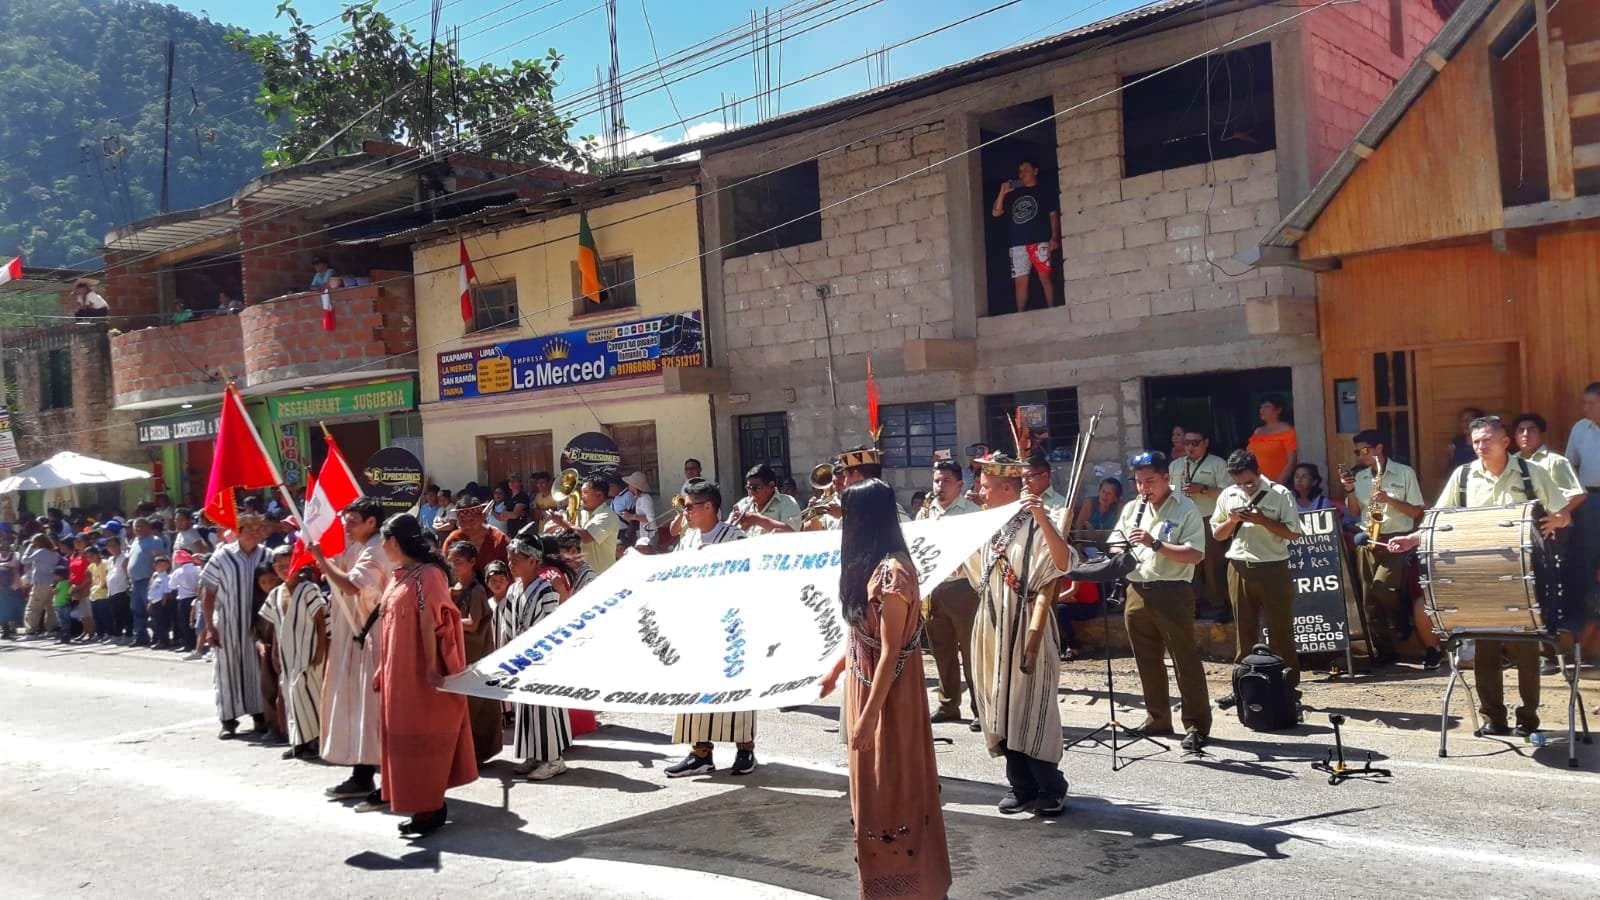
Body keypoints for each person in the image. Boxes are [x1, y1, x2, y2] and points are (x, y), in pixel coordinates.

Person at [1388, 416, 1570, 737]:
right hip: (1479, 576)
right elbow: (1438, 519)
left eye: (1486, 440)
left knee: (1527, 650)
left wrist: (1557, 521)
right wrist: (1411, 539)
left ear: (1505, 441)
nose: (1480, 447)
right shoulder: (1463, 476)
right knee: (1485, 650)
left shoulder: (1532, 472)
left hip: (1523, 576)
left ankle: (1528, 720)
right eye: (1475, 442)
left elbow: (1563, 513)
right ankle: (1493, 719)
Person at [818, 478, 952, 899]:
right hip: (867, 684)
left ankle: (913, 888)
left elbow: (892, 651)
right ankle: (880, 888)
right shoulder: (869, 567)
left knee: (893, 786)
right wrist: (836, 669)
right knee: (870, 794)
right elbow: (862, 635)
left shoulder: (892, 573)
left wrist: (869, 717)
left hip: (890, 697)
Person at [964, 452, 1077, 816]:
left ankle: (1051, 785)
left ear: (1007, 487)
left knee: (1030, 704)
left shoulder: (1036, 521)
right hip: (991, 623)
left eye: (985, 486)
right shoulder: (985, 524)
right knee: (998, 703)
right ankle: (1020, 784)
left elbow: (1063, 561)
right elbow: (966, 567)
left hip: (1029, 623)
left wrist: (1043, 517)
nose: (979, 492)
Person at [373, 514, 476, 836]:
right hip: (397, 670)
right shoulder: (398, 577)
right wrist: (383, 665)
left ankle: (430, 807)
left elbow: (430, 621)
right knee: (401, 737)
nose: (381, 546)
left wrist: (432, 667)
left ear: (394, 541)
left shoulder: (427, 575)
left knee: (422, 736)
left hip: (419, 673)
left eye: (383, 539)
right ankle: (421, 803)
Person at [1107, 451, 1211, 751]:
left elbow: (1196, 553)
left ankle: (1196, 724)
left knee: (1184, 659)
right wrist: (1119, 551)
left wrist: (1155, 543)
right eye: (1138, 482)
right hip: (1137, 589)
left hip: (1172, 590)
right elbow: (1115, 541)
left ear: (1167, 478)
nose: (1144, 488)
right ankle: (1158, 718)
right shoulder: (1132, 508)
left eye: (1150, 481)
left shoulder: (1186, 509)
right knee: (1146, 659)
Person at [663, 479, 757, 778]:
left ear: (708, 507)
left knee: (736, 691)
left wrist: (715, 562)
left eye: (689, 506)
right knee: (695, 689)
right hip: (696, 624)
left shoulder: (735, 538)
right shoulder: (687, 539)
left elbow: (749, 577)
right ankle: (700, 753)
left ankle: (745, 750)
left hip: (730, 627)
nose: (685, 512)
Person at [310, 497, 391, 806]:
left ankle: (390, 781)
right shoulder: (358, 544)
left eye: (353, 519)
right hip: (355, 639)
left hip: (376, 638)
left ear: (372, 522)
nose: (346, 524)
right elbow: (339, 565)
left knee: (376, 711)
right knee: (360, 709)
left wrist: (319, 556)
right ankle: (362, 773)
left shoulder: (378, 547)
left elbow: (353, 586)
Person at [1211, 450, 1304, 708]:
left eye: (1249, 482)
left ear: (1259, 472)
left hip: (1273, 568)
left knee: (1280, 631)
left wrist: (1263, 521)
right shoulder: (1228, 496)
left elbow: (1294, 534)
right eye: (1238, 483)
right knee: (1244, 631)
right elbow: (1218, 535)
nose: (1244, 488)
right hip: (1240, 567)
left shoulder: (1280, 494)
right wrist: (1232, 521)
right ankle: (1242, 688)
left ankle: (1288, 690)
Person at [1339, 430, 1429, 668]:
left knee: (1383, 587)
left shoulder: (1404, 473)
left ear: (1379, 448)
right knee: (1369, 597)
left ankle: (1402, 622)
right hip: (1369, 538)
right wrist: (1349, 491)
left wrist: (1389, 500)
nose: (1360, 456)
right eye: (1357, 452)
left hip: (1398, 539)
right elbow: (1355, 512)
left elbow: (1417, 512)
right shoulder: (1360, 477)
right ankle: (1384, 651)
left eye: (1365, 450)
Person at [1515, 412, 1590, 672]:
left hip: (1550, 530)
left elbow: (1577, 494)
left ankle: (1553, 654)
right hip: (1517, 534)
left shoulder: (1554, 461)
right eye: (1521, 430)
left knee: (1550, 588)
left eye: (1532, 429)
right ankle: (1525, 652)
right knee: (1523, 589)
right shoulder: (1510, 463)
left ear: (1541, 433)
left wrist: (1555, 517)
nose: (1526, 434)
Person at [500, 533, 571, 781]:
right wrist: (506, 652)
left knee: (543, 707)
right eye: (509, 558)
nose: (511, 563)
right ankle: (534, 753)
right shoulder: (513, 590)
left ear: (533, 561)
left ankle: (554, 759)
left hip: (542, 659)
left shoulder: (546, 590)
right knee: (525, 707)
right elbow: (507, 626)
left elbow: (551, 627)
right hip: (520, 659)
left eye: (516, 558)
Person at [917, 459, 981, 726]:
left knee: (971, 653)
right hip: (934, 588)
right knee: (941, 650)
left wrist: (962, 558)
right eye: (936, 480)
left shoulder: (972, 511)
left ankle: (981, 709)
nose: (939, 486)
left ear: (959, 484)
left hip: (964, 589)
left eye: (945, 481)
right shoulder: (926, 512)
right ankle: (948, 705)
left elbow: (983, 547)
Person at [198, 514, 270, 739]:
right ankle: (228, 720)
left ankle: (260, 716)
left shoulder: (268, 556)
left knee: (259, 670)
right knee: (226, 671)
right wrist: (210, 626)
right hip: (228, 623)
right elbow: (207, 592)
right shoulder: (221, 556)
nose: (256, 532)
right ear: (237, 531)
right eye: (250, 528)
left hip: (260, 623)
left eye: (259, 528)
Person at [259, 546, 328, 760]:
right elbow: (275, 626)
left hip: (308, 650)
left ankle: (315, 741)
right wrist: (274, 653)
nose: (282, 569)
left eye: (287, 564)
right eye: (278, 565)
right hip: (287, 653)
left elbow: (321, 623)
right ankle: (298, 742)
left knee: (309, 695)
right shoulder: (276, 593)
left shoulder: (309, 589)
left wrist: (320, 650)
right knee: (290, 696)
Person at [447, 540, 502, 765]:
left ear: (471, 562)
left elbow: (472, 623)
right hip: (459, 654)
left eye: (458, 562)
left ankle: (478, 754)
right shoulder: (454, 589)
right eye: (451, 562)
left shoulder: (477, 590)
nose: (454, 566)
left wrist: (448, 619)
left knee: (477, 708)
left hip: (476, 655)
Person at [1172, 431, 1232, 621]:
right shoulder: (1176, 465)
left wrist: (1203, 489)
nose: (1190, 447)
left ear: (1206, 442)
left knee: (1212, 565)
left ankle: (1218, 605)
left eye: (1195, 443)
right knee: (1188, 565)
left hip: (1210, 518)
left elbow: (1229, 494)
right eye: (1187, 443)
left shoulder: (1218, 464)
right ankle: (1193, 605)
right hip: (1184, 520)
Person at [991, 158, 1060, 312]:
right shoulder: (1013, 194)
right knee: (1020, 281)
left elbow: (1053, 214)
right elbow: (996, 213)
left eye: (1026, 171)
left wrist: (1054, 237)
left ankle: (1053, 309)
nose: (1023, 174)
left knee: (1045, 277)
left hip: (1039, 240)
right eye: (1020, 171)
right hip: (1018, 243)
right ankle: (1020, 313)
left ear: (1035, 172)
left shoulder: (1043, 191)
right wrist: (1002, 193)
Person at [1561, 384, 1600, 635]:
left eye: (1590, 403)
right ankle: (1589, 621)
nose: (1584, 407)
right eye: (1584, 402)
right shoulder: (1580, 429)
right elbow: (1569, 468)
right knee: (1589, 559)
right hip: (1589, 501)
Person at [545, 475, 620, 575]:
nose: (581, 496)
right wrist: (553, 525)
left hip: (601, 575)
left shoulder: (608, 516)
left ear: (599, 495)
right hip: (580, 574)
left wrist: (562, 523)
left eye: (585, 492)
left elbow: (587, 537)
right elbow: (550, 527)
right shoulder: (580, 511)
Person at [728, 464, 802, 535]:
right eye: (749, 488)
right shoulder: (742, 504)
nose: (752, 493)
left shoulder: (787, 502)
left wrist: (757, 519)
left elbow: (792, 533)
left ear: (771, 486)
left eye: (756, 487)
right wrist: (732, 525)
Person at [127, 517, 164, 647]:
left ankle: (158, 637)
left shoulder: (154, 541)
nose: (138, 529)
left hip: (148, 581)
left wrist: (154, 580)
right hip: (136, 582)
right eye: (136, 526)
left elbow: (158, 560)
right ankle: (141, 636)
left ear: (148, 527)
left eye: (141, 526)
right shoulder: (135, 541)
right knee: (137, 610)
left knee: (152, 610)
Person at [443, 502, 509, 572]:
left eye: (471, 520)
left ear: (482, 517)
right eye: (462, 521)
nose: (467, 525)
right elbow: (444, 567)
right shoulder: (453, 539)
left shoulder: (500, 539)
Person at [1247, 395, 1298, 484]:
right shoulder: (1258, 431)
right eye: (1261, 407)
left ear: (1278, 410)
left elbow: (1292, 461)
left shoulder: (1287, 430)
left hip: (1278, 484)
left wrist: (1277, 485)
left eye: (1266, 406)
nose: (1262, 410)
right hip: (1257, 484)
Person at [170, 549, 201, 655]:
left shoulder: (178, 572)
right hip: (197, 598)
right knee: (197, 622)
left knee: (184, 623)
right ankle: (198, 644)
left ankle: (188, 645)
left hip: (184, 599)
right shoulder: (198, 569)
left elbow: (172, 586)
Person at [619, 471, 657, 553]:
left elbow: (650, 519)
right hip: (644, 535)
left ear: (635, 486)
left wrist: (632, 516)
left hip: (649, 536)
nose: (628, 485)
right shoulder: (638, 498)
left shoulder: (645, 499)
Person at [554, 529, 598, 593]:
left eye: (559, 556)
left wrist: (560, 588)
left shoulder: (589, 577)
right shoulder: (566, 572)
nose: (556, 561)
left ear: (573, 551)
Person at [0, 536, 23, 639]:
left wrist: (2, 564)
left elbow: (15, 564)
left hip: (13, 586)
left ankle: (13, 628)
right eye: (1, 548)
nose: (3, 550)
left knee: (14, 608)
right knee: (2, 609)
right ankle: (6, 630)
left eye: (6, 548)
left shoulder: (15, 554)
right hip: (1, 587)